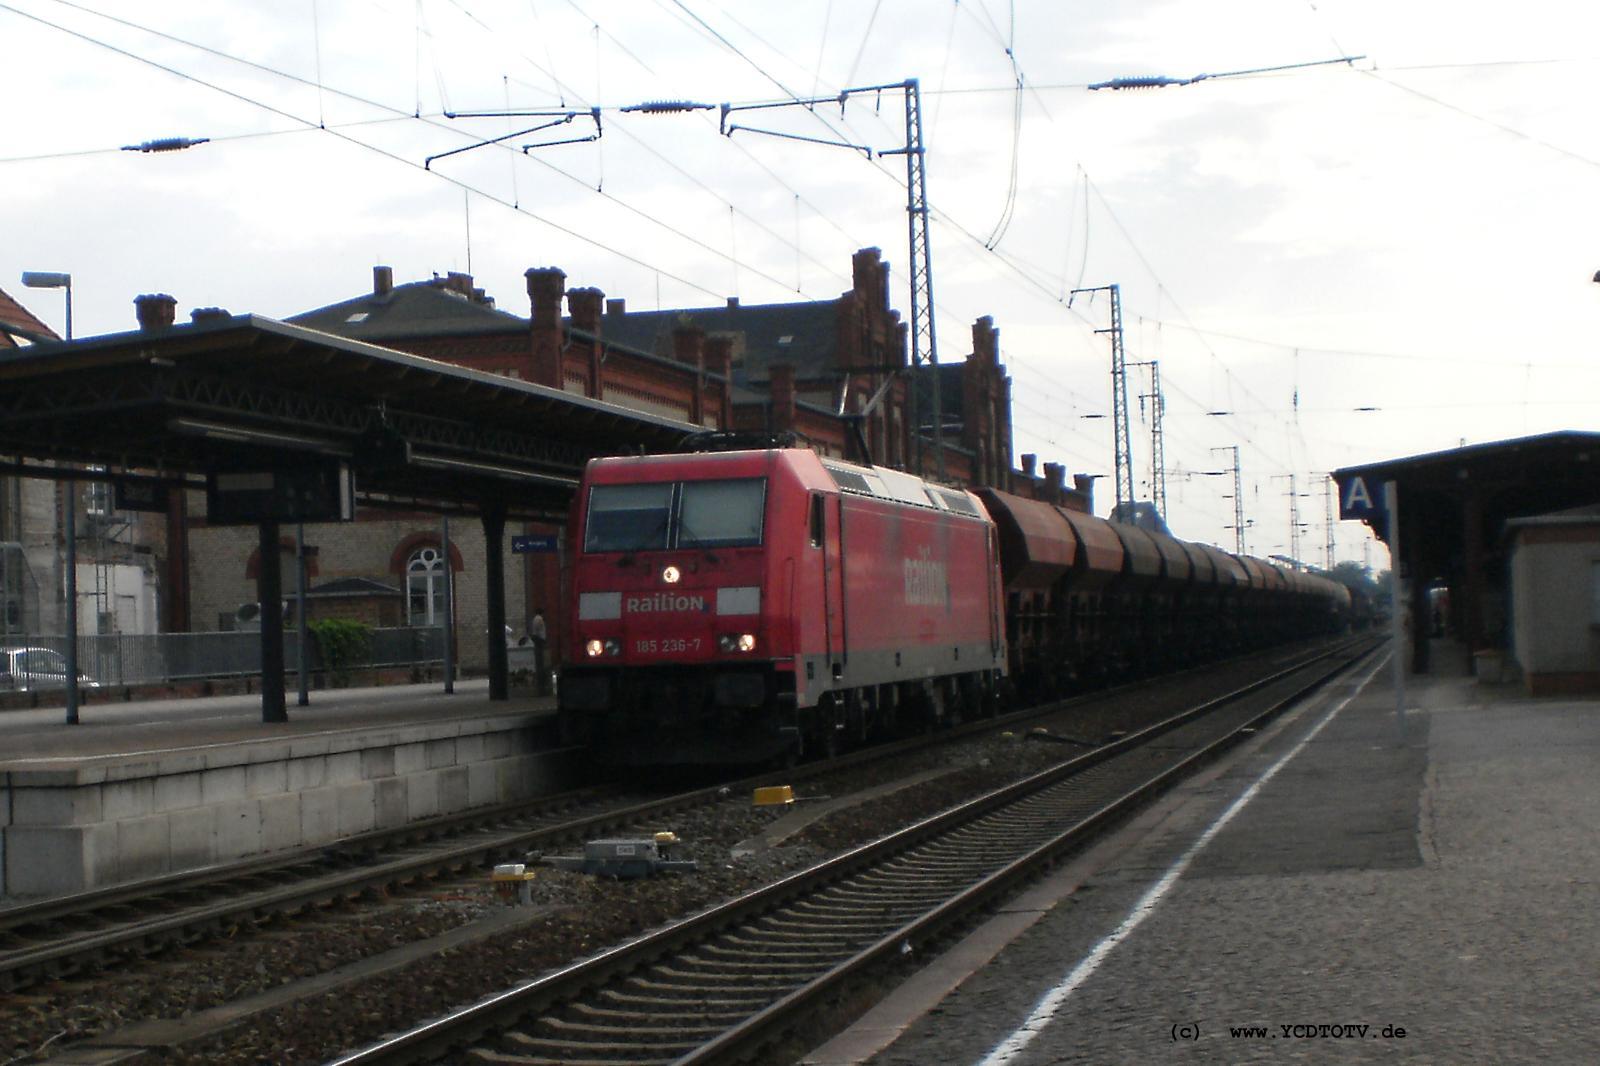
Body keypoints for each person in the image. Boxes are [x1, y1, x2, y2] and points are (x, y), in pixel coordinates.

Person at [529, 608, 549, 695]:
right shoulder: (539, 619)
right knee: (540, 661)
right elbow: (538, 629)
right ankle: (541, 687)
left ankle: (541, 687)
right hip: (539, 639)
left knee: (539, 660)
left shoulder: (535, 619)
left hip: (537, 638)